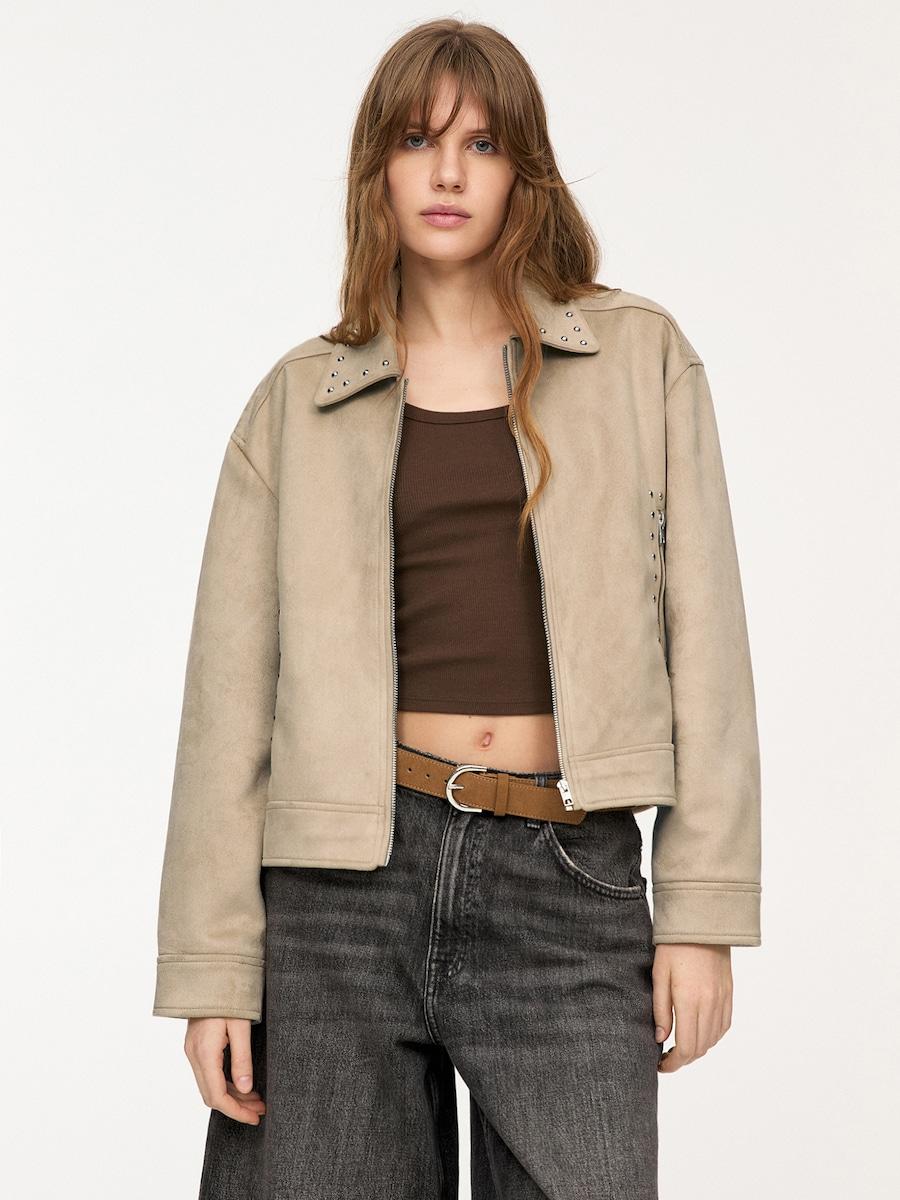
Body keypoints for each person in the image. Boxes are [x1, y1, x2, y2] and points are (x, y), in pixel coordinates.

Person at [152, 18, 761, 1199]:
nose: (446, 173)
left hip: (568, 878)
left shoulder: (640, 362)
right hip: (341, 888)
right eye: (416, 141)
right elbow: (225, 709)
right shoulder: (297, 406)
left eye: (480, 144)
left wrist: (701, 912)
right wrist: (214, 969)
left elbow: (711, 648)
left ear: (522, 169)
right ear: (375, 169)